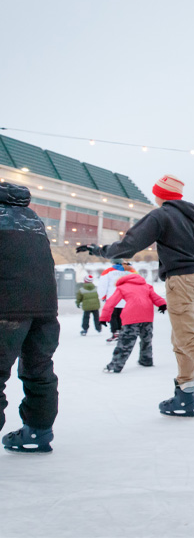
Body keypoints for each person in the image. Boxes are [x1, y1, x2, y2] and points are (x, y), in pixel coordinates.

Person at [76, 173, 194, 430]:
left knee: (186, 337)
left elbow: (128, 246)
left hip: (180, 280)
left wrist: (99, 250)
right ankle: (184, 394)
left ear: (160, 194)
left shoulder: (161, 215)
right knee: (181, 336)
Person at [0, 182, 60, 453]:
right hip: (45, 310)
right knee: (39, 371)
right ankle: (37, 432)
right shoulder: (33, 220)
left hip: (7, 309)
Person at [100, 273, 167, 373]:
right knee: (146, 340)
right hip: (147, 316)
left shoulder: (122, 287)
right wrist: (162, 304)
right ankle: (146, 360)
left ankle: (115, 365)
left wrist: (104, 317)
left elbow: (111, 302)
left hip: (131, 317)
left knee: (125, 342)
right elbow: (156, 298)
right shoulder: (146, 286)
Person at [96, 259, 131, 341]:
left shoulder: (108, 271)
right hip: (126, 298)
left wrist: (103, 296)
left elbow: (102, 286)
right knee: (122, 316)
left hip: (113, 298)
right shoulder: (130, 270)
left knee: (113, 316)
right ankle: (123, 331)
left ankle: (115, 332)